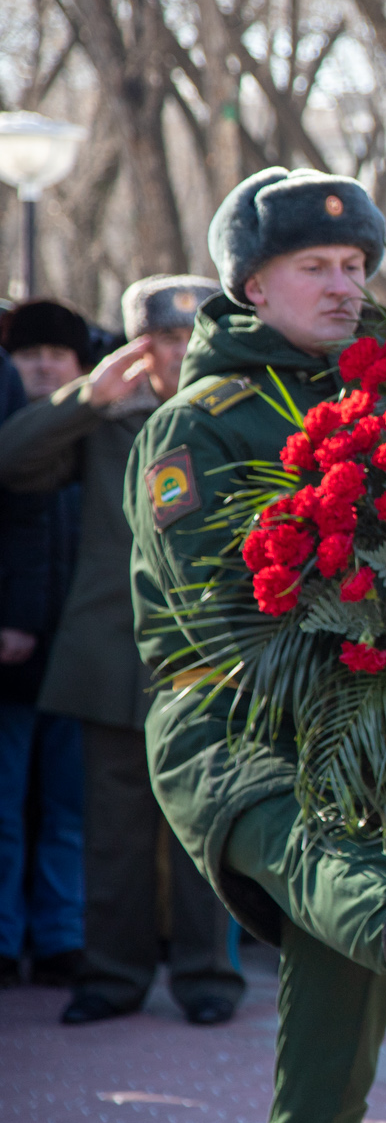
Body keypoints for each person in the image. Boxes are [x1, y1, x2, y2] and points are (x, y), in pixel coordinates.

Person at [127, 168, 386, 1123]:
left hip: (375, 723)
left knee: (330, 1049)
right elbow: (215, 615)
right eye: (314, 264)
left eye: (355, 262)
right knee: (328, 853)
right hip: (235, 726)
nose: (345, 283)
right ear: (252, 287)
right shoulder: (200, 421)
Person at [0, 276, 244, 1024]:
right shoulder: (109, 424)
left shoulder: (239, 419)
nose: (178, 353)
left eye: (189, 337)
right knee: (114, 832)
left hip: (214, 656)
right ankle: (112, 975)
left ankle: (208, 978)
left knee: (209, 827)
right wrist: (85, 398)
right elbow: (11, 462)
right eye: (164, 339)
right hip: (114, 656)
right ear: (140, 347)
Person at [0, 299, 91, 990]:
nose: (41, 366)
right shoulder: (13, 444)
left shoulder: (92, 441)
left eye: (56, 356)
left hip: (79, 662)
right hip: (13, 663)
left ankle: (62, 933)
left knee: (67, 807)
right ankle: (5, 935)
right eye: (28, 355)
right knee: (5, 806)